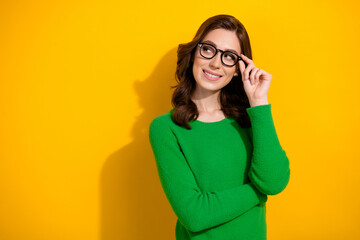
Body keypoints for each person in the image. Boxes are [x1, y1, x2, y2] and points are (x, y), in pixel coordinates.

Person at [148, 14, 290, 240]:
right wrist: (257, 191)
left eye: (229, 56)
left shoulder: (251, 119)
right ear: (195, 52)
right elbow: (194, 214)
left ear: (238, 69)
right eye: (208, 49)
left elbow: (273, 182)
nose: (215, 63)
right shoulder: (166, 128)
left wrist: (259, 102)